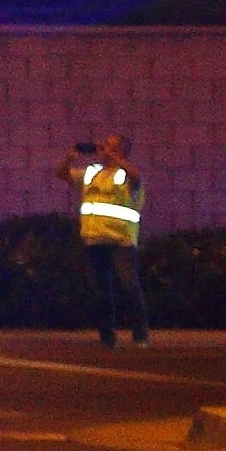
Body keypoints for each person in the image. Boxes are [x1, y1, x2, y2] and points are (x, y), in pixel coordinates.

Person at [74, 129, 150, 346]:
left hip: (121, 242)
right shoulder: (93, 173)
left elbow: (136, 177)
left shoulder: (126, 173)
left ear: (123, 151)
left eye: (112, 146)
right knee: (101, 292)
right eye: (106, 145)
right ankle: (108, 338)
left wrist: (115, 157)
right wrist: (72, 154)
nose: (105, 149)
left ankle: (140, 336)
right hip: (94, 240)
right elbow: (62, 173)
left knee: (129, 287)